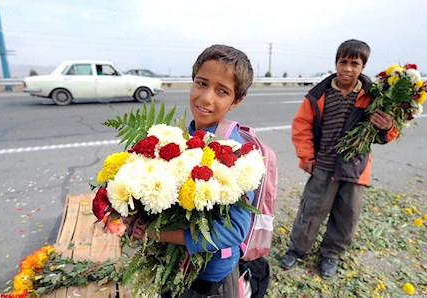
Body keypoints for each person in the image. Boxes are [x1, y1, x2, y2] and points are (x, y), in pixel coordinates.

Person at [129, 44, 258, 297]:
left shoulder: (238, 156)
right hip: (177, 264)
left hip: (212, 273)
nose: (207, 98)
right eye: (201, 83)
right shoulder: (182, 136)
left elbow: (234, 231)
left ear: (237, 100)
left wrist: (159, 234)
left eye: (222, 91)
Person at [281, 39, 399, 277]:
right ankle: (297, 250)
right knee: (311, 209)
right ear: (335, 63)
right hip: (322, 165)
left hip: (355, 168)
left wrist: (387, 127)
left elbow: (384, 135)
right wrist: (306, 156)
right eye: (343, 62)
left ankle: (331, 254)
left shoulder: (374, 97)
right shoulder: (319, 95)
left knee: (347, 215)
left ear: (362, 67)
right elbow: (302, 126)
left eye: (354, 63)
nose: (347, 68)